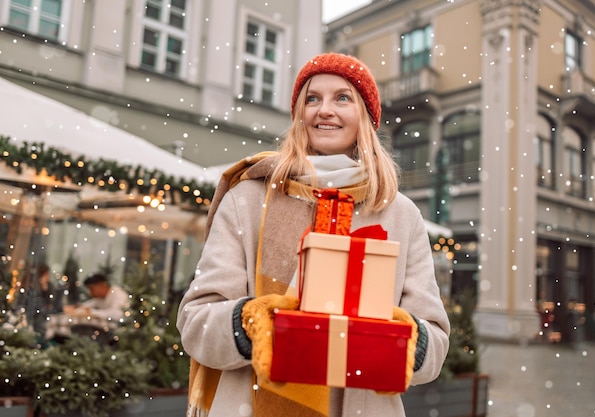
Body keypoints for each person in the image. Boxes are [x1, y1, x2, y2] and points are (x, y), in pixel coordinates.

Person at [177, 52, 450, 417]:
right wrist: (258, 326)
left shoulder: (401, 214)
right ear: (298, 116)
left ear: (366, 118)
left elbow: (433, 347)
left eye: (342, 98)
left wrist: (393, 337)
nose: (325, 110)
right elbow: (196, 324)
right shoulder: (248, 199)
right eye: (312, 98)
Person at [15, 263, 63, 344]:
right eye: (47, 275)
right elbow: (40, 312)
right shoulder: (33, 291)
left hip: (34, 324)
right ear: (41, 277)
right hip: (33, 326)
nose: (48, 279)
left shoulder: (36, 290)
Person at [64, 273, 129, 322]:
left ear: (102, 285)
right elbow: (87, 305)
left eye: (91, 289)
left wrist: (91, 312)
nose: (90, 293)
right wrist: (76, 308)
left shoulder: (118, 294)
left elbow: (117, 314)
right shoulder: (101, 297)